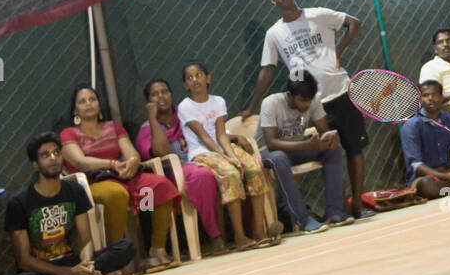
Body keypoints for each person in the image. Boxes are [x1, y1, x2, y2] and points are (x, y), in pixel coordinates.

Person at [240, 0, 375, 219]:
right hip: (309, 104)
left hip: (341, 92)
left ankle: (357, 205)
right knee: (324, 150)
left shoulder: (318, 15)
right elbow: (267, 69)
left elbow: (353, 23)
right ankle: (337, 209)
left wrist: (339, 51)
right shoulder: (274, 33)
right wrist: (251, 106)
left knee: (354, 149)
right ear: (273, 0)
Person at [59, 84, 182, 272]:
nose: (88, 104)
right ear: (75, 109)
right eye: (82, 102)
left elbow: (131, 153)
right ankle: (117, 257)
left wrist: (132, 163)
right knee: (116, 195)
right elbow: (80, 161)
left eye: (92, 99)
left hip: (124, 178)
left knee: (158, 186)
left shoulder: (114, 128)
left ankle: (156, 250)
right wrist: (111, 164)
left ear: (99, 104)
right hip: (93, 183)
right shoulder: (69, 133)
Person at [8, 133, 136, 275]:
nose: (53, 158)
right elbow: (24, 260)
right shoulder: (19, 202)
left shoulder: (74, 190)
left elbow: (85, 239)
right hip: (44, 270)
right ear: (35, 165)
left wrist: (86, 266)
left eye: (56, 153)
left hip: (71, 262)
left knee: (126, 246)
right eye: (45, 155)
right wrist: (69, 274)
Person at [178, 63, 274, 250]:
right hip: (202, 153)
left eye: (198, 75)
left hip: (223, 148)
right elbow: (204, 137)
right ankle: (239, 236)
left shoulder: (218, 101)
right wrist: (226, 159)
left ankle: (259, 231)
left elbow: (221, 135)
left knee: (253, 168)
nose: (195, 80)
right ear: (185, 85)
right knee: (230, 174)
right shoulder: (185, 106)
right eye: (190, 78)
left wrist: (233, 156)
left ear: (208, 78)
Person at [135, 79, 232, 256]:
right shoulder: (147, 127)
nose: (161, 97)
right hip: (174, 173)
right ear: (148, 102)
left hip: (202, 159)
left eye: (164, 92)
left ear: (171, 94)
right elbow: (161, 151)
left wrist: (234, 139)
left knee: (228, 170)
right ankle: (215, 236)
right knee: (201, 175)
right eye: (154, 95)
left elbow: (211, 132)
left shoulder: (185, 113)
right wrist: (152, 119)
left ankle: (242, 232)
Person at [257, 70, 351, 233]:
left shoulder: (313, 101)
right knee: (279, 158)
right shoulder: (271, 103)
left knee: (333, 150)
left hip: (297, 149)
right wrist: (308, 145)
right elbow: (271, 144)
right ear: (289, 95)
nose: (307, 105)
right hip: (267, 154)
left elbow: (323, 131)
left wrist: (330, 139)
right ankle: (303, 220)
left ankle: (334, 212)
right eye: (302, 101)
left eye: (309, 100)